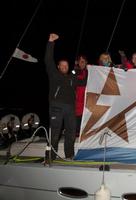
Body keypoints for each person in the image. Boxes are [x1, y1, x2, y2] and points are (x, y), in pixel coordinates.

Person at [44, 33, 84, 161]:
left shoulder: (73, 77)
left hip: (70, 109)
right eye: (62, 65)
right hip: (56, 106)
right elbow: (48, 60)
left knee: (71, 133)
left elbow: (84, 82)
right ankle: (50, 157)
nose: (64, 67)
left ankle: (69, 156)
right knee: (55, 133)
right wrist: (51, 42)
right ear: (58, 67)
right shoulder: (54, 74)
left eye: (66, 66)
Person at [74, 55, 88, 136]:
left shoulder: (89, 71)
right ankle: (76, 132)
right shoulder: (74, 71)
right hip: (77, 97)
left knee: (85, 115)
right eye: (80, 61)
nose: (82, 63)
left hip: (86, 97)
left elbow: (84, 82)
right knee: (77, 115)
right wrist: (75, 68)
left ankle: (83, 132)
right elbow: (72, 80)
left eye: (83, 61)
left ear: (86, 62)